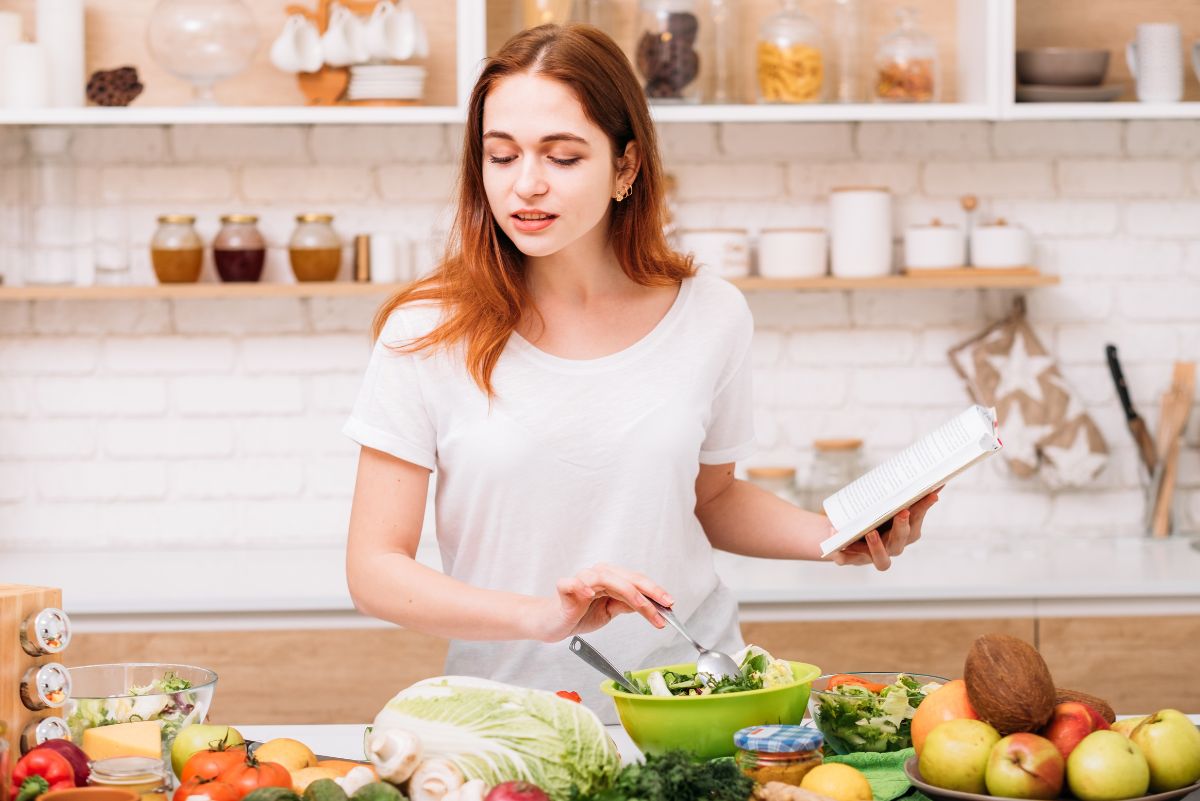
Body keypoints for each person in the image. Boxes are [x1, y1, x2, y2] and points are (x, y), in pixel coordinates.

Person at [343, 23, 939, 719]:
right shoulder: (427, 330)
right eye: (500, 156)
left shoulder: (710, 314)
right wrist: (542, 615)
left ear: (626, 166)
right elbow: (374, 569)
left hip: (699, 701)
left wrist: (836, 536)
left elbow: (710, 499)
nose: (525, 185)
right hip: (511, 714)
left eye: (562, 157)